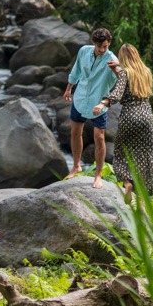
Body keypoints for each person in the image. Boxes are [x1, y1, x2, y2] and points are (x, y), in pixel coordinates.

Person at [93, 43, 153, 199]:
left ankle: (128, 183)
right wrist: (117, 70)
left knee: (121, 152)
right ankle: (146, 190)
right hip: (146, 117)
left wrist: (102, 103)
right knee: (148, 153)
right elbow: (131, 78)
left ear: (123, 58)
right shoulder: (146, 72)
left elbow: (117, 93)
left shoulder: (126, 73)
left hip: (129, 117)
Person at [64, 28, 119, 187]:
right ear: (94, 43)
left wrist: (117, 67)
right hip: (80, 98)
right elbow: (76, 71)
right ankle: (76, 166)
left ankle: (98, 175)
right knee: (75, 132)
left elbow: (122, 78)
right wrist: (69, 89)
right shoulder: (83, 51)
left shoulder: (111, 59)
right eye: (99, 46)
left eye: (105, 47)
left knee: (99, 137)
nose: (102, 50)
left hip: (98, 103)